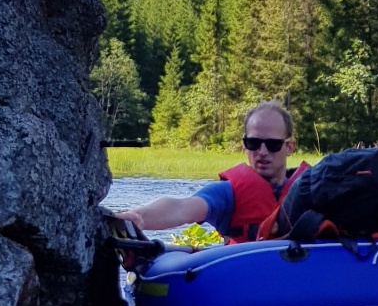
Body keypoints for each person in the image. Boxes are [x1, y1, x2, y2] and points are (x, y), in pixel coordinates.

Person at [117, 100, 308, 245]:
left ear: (290, 147)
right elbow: (182, 207)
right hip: (248, 284)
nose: (262, 152)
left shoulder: (313, 191)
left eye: (273, 144)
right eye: (254, 143)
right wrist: (138, 216)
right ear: (244, 146)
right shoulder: (228, 193)